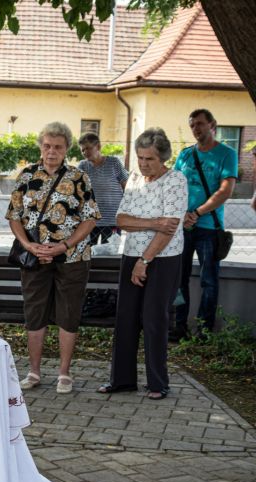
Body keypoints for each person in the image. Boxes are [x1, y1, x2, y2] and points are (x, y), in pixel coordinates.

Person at [6, 122, 99, 394]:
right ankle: (33, 372)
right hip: (34, 258)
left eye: (57, 147)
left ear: (66, 148)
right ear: (40, 146)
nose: (51, 151)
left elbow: (90, 218)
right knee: (34, 313)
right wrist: (28, 245)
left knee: (68, 314)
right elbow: (14, 217)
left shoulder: (79, 177)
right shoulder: (25, 176)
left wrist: (65, 245)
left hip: (72, 257)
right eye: (47, 146)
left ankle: (64, 374)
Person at [98, 128, 186, 400]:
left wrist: (144, 261)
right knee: (125, 318)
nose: (144, 163)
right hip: (131, 254)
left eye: (150, 159)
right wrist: (152, 222)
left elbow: (169, 229)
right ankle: (122, 380)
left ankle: (158, 383)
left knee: (153, 319)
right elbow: (121, 220)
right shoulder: (134, 178)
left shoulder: (176, 181)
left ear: (163, 159)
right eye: (140, 157)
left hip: (163, 258)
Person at [172, 108, 238, 339]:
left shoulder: (227, 154)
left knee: (209, 280)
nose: (195, 129)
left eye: (200, 124)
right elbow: (174, 186)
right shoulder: (186, 155)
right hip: (183, 226)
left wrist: (197, 212)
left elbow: (225, 190)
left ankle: (204, 330)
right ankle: (179, 326)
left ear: (213, 125)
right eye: (192, 125)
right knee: (178, 278)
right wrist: (181, 215)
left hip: (209, 227)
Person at [78, 132, 128, 245]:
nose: (85, 152)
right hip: (90, 221)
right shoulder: (82, 166)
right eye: (83, 150)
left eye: (88, 148)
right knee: (89, 253)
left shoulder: (114, 163)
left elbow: (127, 186)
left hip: (112, 219)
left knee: (110, 253)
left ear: (98, 146)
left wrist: (127, 210)